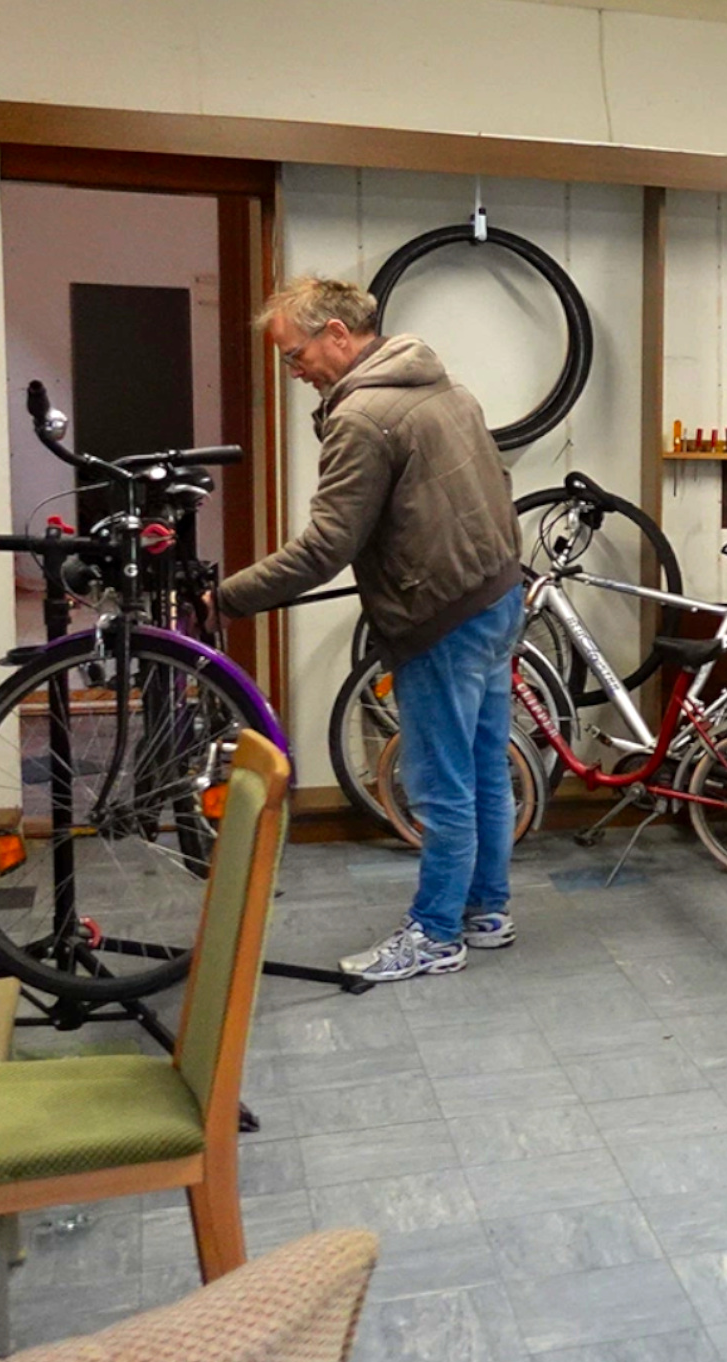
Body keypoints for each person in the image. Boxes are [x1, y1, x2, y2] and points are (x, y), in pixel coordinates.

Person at [213, 277, 523, 981]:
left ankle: (436, 935)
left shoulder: (363, 417)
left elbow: (325, 548)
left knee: (440, 785)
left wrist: (226, 598)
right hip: (498, 597)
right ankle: (487, 911)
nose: (293, 372)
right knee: (484, 770)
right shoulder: (446, 388)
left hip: (442, 617)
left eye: (294, 355)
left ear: (337, 335)